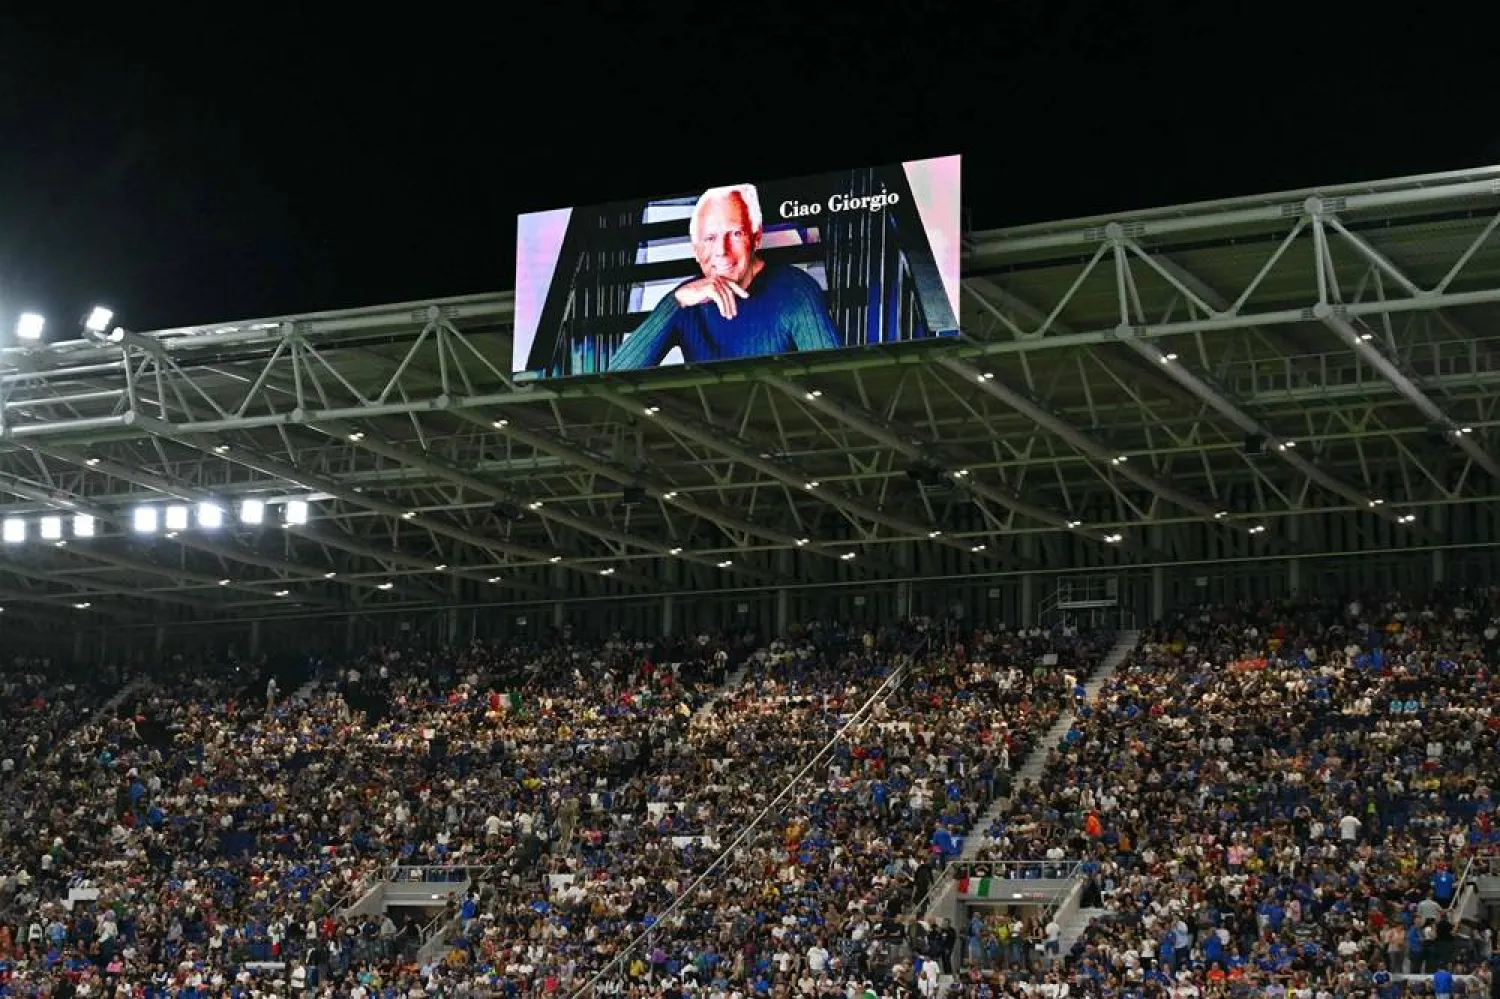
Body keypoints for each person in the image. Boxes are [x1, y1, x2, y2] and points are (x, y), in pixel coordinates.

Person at [608, 183, 841, 370]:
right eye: (710, 238)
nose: (722, 250)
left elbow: (835, 379)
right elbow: (615, 377)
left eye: (735, 234)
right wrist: (674, 302)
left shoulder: (795, 291)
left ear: (756, 237)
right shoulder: (687, 299)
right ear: (696, 251)